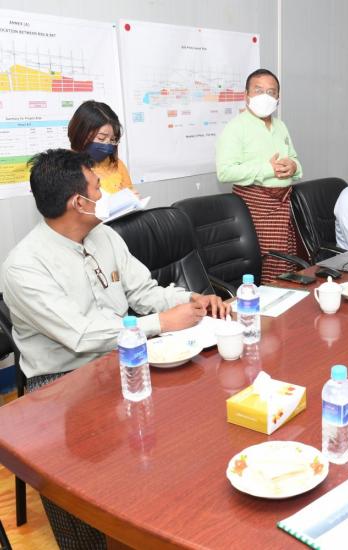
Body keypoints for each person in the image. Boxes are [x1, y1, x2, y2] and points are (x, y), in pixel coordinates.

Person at [0, 149, 228, 549]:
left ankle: (164, 523)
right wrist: (160, 324)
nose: (103, 193)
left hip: (124, 356)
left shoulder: (103, 236)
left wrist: (190, 300)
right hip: (61, 384)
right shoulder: (24, 266)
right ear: (78, 202)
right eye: (96, 187)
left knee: (190, 422)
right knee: (81, 489)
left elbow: (143, 292)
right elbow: (81, 335)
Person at [216, 68, 303, 283]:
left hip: (283, 206)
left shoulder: (281, 126)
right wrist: (267, 169)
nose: (265, 96)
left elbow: (294, 158)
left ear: (278, 98)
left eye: (271, 92)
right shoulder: (236, 127)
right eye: (258, 91)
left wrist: (293, 166)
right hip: (255, 209)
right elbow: (225, 171)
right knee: (263, 265)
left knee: (286, 263)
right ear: (246, 96)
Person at [67, 100, 135, 195]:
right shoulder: (65, 168)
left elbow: (130, 193)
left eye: (112, 139)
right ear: (81, 133)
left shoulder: (117, 164)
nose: (107, 145)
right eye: (101, 138)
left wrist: (133, 198)